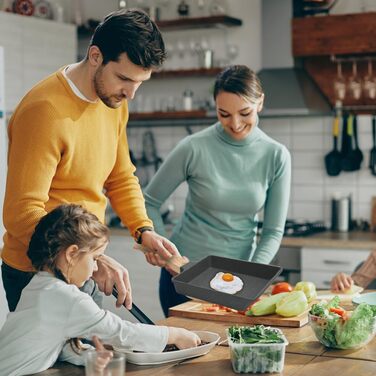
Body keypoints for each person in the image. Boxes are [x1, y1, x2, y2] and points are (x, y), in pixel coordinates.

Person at [1, 9, 180, 313]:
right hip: (38, 271)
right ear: (95, 56)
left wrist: (143, 230)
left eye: (139, 82)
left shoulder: (113, 102)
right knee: (59, 362)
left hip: (82, 261)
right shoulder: (44, 111)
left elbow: (120, 177)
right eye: (124, 78)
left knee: (91, 358)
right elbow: (21, 213)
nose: (131, 93)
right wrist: (86, 258)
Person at [144, 65, 291, 316]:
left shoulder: (276, 155)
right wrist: (164, 250)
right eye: (224, 114)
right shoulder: (193, 148)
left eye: (245, 113)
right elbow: (149, 201)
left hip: (237, 282)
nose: (234, 124)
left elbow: (273, 232)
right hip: (184, 275)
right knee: (185, 353)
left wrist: (251, 279)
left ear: (260, 103)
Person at [0, 204, 201, 376]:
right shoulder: (67, 298)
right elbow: (120, 331)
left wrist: (89, 355)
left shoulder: (40, 285)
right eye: (95, 258)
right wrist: (173, 335)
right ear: (72, 254)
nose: (96, 268)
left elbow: (54, 344)